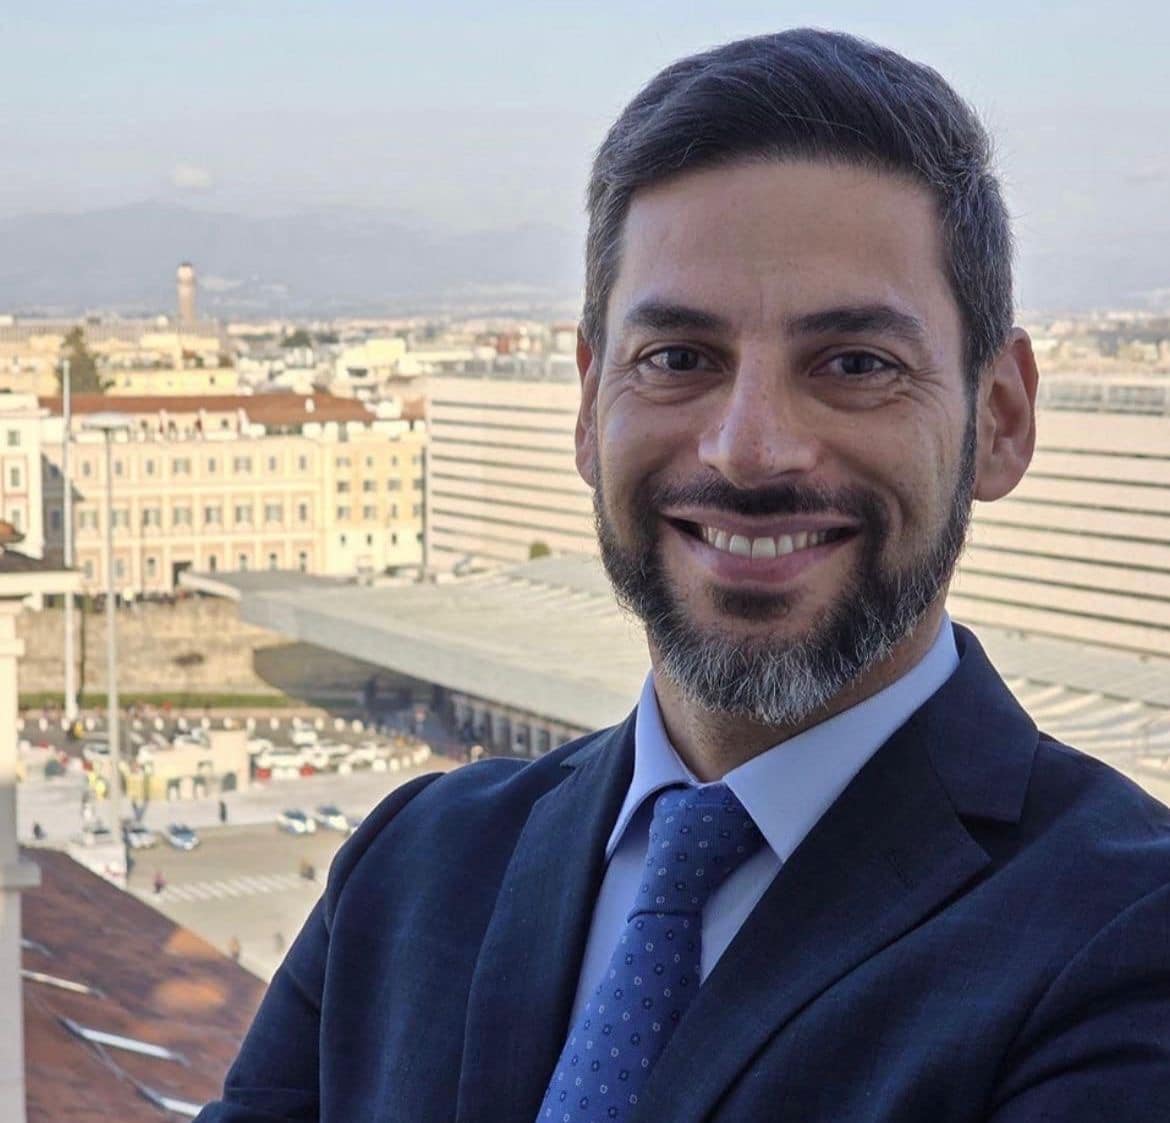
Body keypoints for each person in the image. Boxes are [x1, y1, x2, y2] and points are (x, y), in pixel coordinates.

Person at [196, 30, 1170, 1123]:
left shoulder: (1130, 935)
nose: (748, 450)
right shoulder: (412, 868)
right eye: (677, 359)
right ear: (587, 404)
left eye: (855, 364)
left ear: (1002, 417)